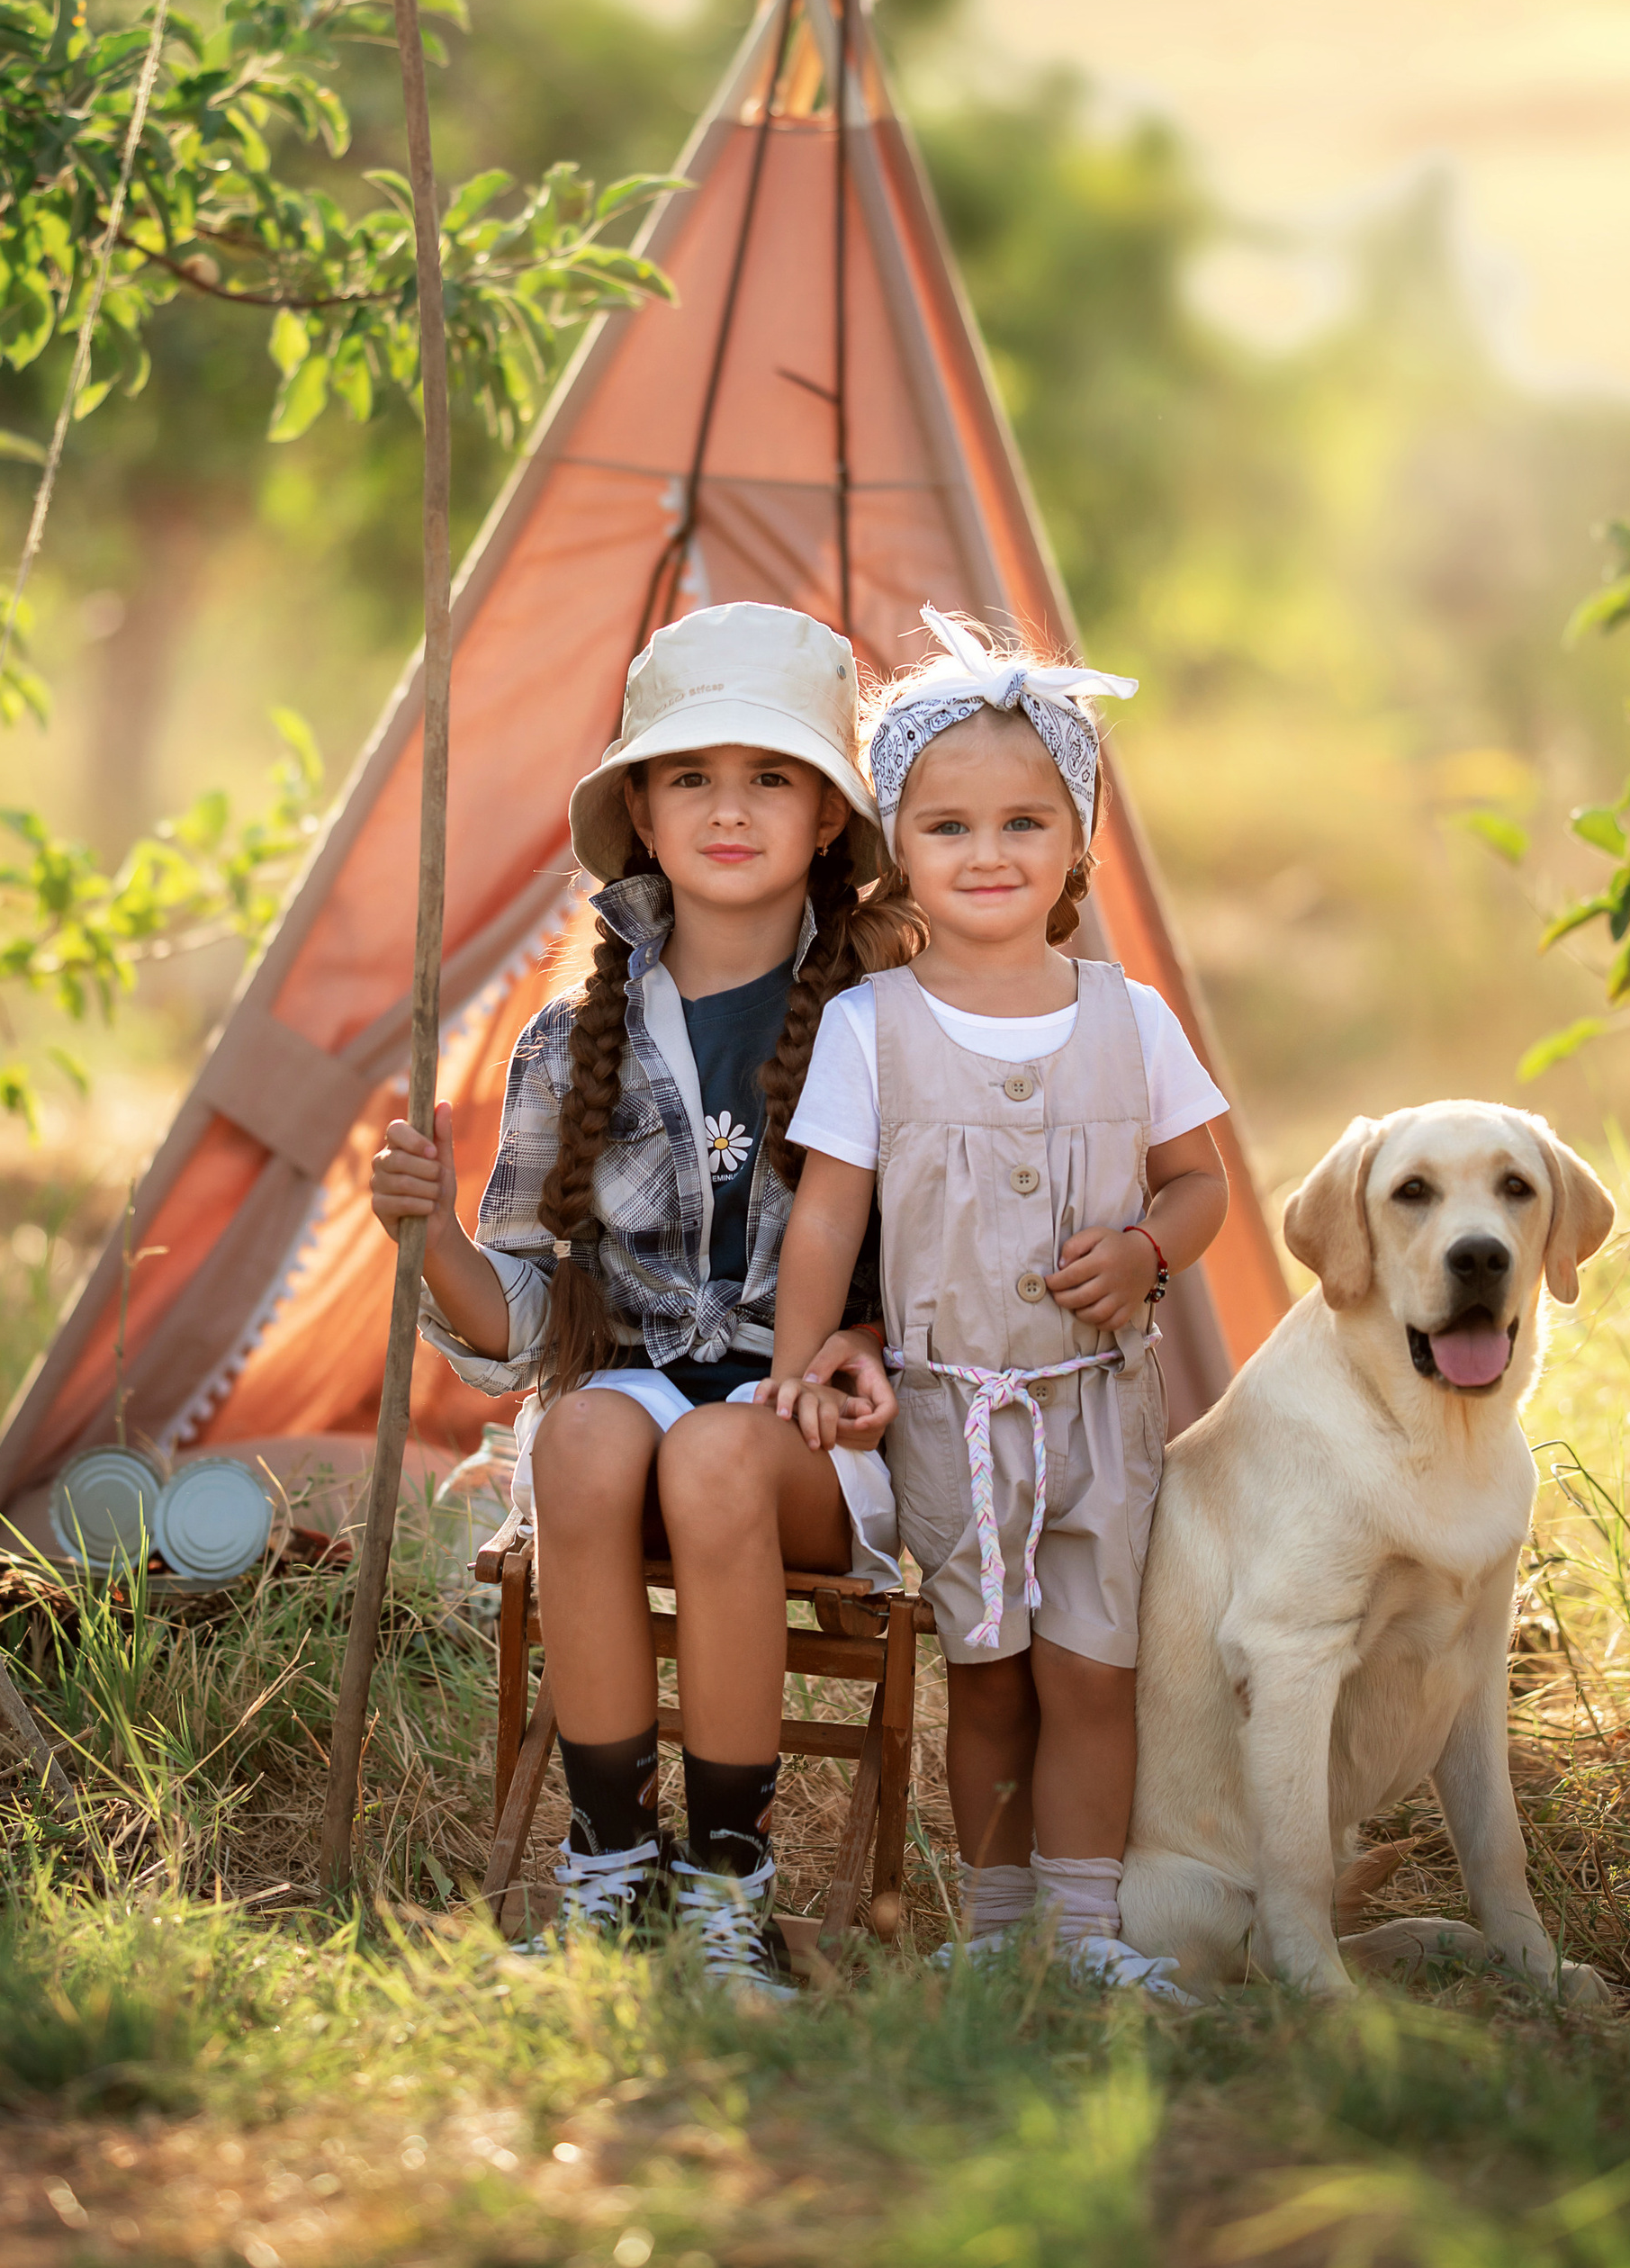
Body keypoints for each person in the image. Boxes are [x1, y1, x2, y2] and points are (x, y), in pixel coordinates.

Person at [370, 601, 912, 1992]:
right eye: (690, 777)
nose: (729, 809)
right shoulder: (573, 1042)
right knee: (578, 1435)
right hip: (636, 1402)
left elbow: (939, 1264)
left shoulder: (889, 1023)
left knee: (717, 1455)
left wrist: (865, 1345)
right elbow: (521, 1329)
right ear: (644, 816)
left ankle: (730, 1887)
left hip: (809, 1439)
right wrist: (428, 1240)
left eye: (771, 776)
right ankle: (613, 1868)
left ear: (830, 819)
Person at [761, 606, 1229, 1995]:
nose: (988, 853)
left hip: (1099, 1411)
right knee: (990, 1673)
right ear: (898, 845)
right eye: (949, 825)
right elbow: (827, 1214)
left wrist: (1147, 1253)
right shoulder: (872, 1027)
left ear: (1078, 842)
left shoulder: (1129, 1017)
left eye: (1026, 822)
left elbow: (1198, 1187)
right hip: (954, 1414)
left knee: (1092, 1669)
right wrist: (800, 1362)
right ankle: (999, 1928)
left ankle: (1086, 1937)